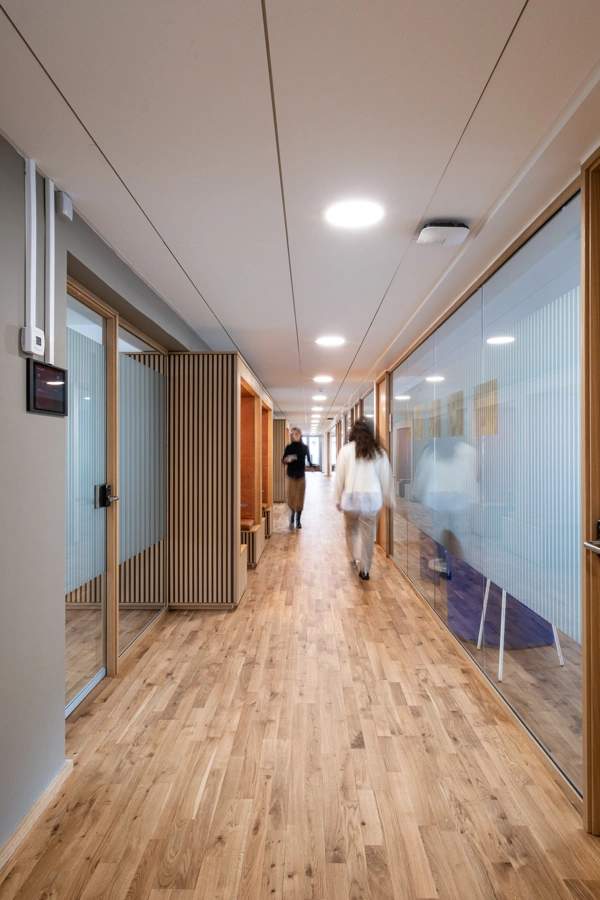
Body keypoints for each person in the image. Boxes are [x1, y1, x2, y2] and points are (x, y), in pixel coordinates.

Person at [334, 417, 394, 580]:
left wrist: (337, 498)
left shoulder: (346, 450)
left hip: (352, 498)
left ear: (353, 432)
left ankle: (354, 557)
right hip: (372, 500)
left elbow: (339, 477)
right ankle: (365, 569)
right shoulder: (378, 452)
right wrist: (389, 499)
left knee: (351, 528)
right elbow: (386, 478)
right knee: (368, 536)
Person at [282, 426, 313, 529]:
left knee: (300, 498)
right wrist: (287, 459)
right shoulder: (288, 447)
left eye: (296, 434)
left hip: (301, 476)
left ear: (300, 435)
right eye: (292, 434)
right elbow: (283, 460)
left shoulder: (305, 448)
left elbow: (309, 460)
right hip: (290, 476)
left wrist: (312, 467)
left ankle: (298, 520)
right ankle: (292, 514)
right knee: (291, 498)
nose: (294, 436)